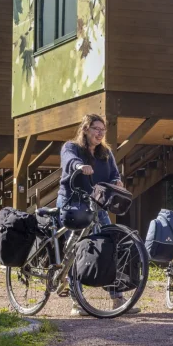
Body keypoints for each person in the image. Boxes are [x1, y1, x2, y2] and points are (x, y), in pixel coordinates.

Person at [58, 113, 140, 316]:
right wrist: (79, 166)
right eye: (96, 128)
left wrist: (117, 181)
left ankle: (117, 298)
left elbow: (113, 173)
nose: (100, 133)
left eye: (103, 130)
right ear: (85, 129)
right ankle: (77, 303)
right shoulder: (71, 147)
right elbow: (70, 160)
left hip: (97, 203)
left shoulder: (106, 153)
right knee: (77, 249)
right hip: (73, 200)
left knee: (109, 247)